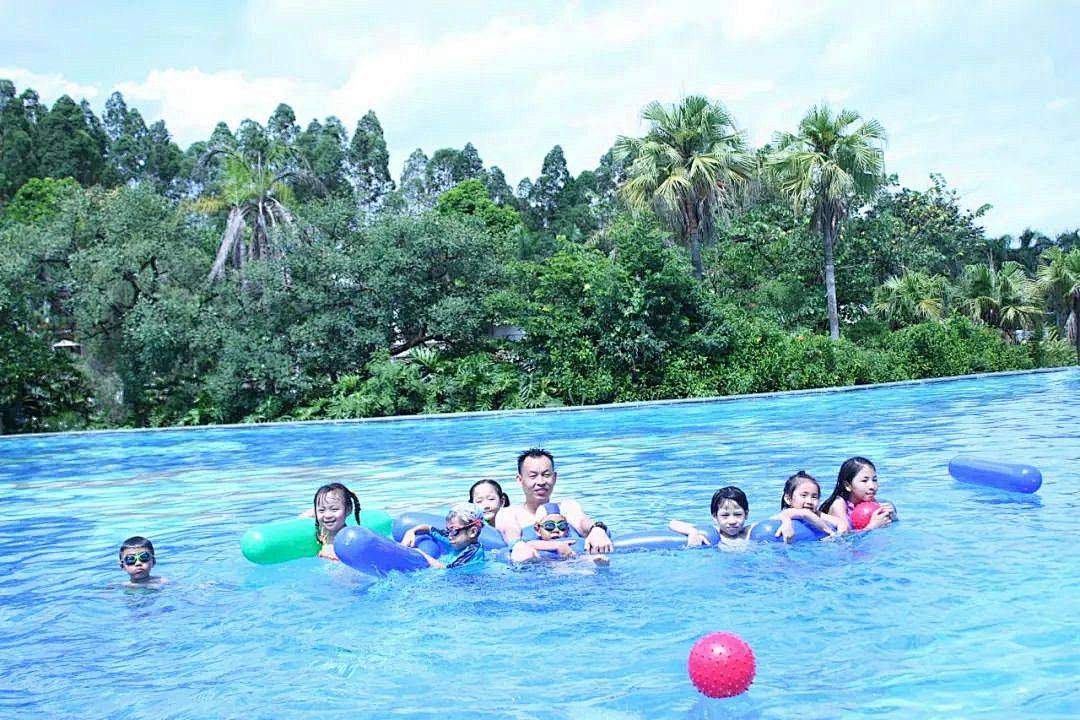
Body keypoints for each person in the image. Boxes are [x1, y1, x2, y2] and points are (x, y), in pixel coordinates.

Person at [495, 448, 613, 562]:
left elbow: (581, 521)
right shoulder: (509, 513)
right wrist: (517, 545)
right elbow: (509, 530)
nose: (541, 482)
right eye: (533, 476)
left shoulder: (567, 507)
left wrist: (597, 529)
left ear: (555, 477)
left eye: (546, 475)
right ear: (520, 479)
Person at [399, 502, 486, 569]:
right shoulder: (454, 538)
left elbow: (448, 569)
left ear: (473, 532)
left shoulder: (473, 552)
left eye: (454, 530)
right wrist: (411, 531)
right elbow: (429, 528)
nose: (449, 535)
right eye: (448, 530)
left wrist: (420, 553)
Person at [820, 457, 895, 533]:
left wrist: (892, 517)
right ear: (847, 485)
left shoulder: (871, 501)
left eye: (874, 480)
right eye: (864, 481)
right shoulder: (839, 504)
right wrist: (872, 527)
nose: (872, 486)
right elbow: (844, 537)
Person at [669, 486, 753, 548]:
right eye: (725, 515)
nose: (732, 521)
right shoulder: (714, 533)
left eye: (738, 514)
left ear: (746, 514)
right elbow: (673, 523)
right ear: (715, 517)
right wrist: (693, 532)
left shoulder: (749, 532)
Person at [773, 471, 843, 541]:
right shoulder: (788, 512)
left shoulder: (817, 514)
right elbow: (805, 513)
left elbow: (841, 522)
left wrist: (840, 533)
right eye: (804, 495)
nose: (809, 501)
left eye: (814, 497)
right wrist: (830, 532)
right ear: (788, 499)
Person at [306, 483, 361, 561]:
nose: (327, 515)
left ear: (348, 510)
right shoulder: (322, 531)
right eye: (322, 510)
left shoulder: (350, 539)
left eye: (334, 509)